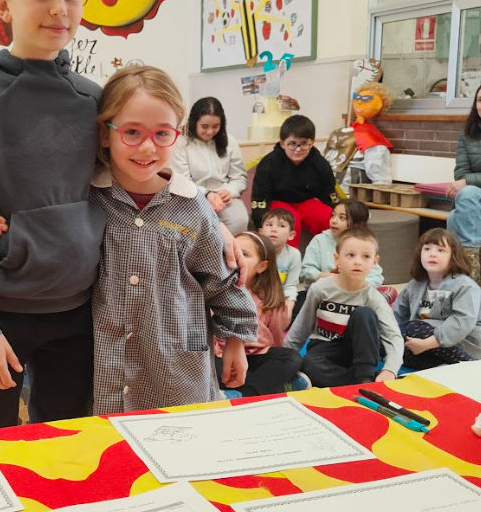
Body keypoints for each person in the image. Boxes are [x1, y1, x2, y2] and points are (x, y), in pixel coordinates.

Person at [0, 0, 245, 431]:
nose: (58, 8)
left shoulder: (92, 100)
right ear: (3, 3)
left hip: (83, 313)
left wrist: (215, 227)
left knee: (71, 441)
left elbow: (140, 170)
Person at [91, 66, 258, 414]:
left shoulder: (193, 206)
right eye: (132, 132)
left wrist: (235, 342)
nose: (147, 146)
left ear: (177, 135)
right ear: (105, 134)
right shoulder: (88, 197)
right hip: (103, 370)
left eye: (162, 133)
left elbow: (222, 282)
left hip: (176, 371)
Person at [285, 227, 404, 387]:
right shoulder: (320, 288)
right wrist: (286, 359)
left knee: (364, 313)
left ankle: (364, 377)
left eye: (366, 256)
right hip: (324, 349)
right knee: (307, 364)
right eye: (351, 255)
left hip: (357, 352)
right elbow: (302, 326)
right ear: (337, 259)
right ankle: (358, 381)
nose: (357, 261)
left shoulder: (373, 297)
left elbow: (393, 335)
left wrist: (390, 370)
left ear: (375, 262)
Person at [218, 232, 305, 398]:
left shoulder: (270, 299)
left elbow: (276, 339)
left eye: (244, 254)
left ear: (262, 266)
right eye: (231, 251)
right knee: (203, 365)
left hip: (255, 356)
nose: (235, 257)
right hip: (223, 356)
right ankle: (276, 386)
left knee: (291, 358)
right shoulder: (216, 290)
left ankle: (243, 394)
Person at [394, 228, 481, 370]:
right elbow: (397, 315)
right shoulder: (415, 285)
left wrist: (427, 344)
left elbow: (462, 322)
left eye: (441, 250)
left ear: (453, 257)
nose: (432, 254)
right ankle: (442, 366)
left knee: (416, 328)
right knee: (391, 339)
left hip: (463, 342)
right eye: (427, 249)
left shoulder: (464, 286)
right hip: (424, 342)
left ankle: (468, 364)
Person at [250, 114, 337, 246]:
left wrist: (335, 214)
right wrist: (260, 226)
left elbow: (329, 196)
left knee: (326, 217)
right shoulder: (268, 164)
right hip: (278, 203)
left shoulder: (321, 164)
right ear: (282, 143)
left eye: (304, 144)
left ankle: (328, 253)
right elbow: (259, 198)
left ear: (312, 142)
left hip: (306, 203)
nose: (298, 149)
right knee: (289, 221)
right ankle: (287, 257)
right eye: (292, 144)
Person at [171, 97, 248, 235]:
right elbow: (182, 180)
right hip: (192, 196)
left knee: (239, 221)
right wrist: (207, 194)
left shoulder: (229, 142)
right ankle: (210, 246)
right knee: (193, 225)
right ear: (194, 122)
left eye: (215, 126)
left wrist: (229, 191)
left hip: (223, 196)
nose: (210, 132)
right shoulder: (181, 142)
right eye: (204, 126)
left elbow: (239, 178)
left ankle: (219, 247)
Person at [300, 199, 396, 304]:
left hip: (356, 293)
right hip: (324, 293)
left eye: (342, 218)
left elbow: (376, 276)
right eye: (333, 215)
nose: (334, 221)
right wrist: (327, 277)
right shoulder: (320, 240)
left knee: (387, 293)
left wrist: (357, 286)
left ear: (357, 224)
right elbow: (306, 270)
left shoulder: (363, 243)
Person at [447, 84, 481, 282]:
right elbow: (461, 172)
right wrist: (466, 181)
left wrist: (468, 181)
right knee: (454, 216)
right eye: (480, 100)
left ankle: (470, 270)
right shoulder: (467, 134)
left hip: (473, 195)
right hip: (475, 198)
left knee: (467, 195)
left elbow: (464, 180)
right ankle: (461, 273)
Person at [259, 207, 300, 321]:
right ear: (261, 232)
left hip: (279, 300)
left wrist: (288, 307)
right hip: (257, 298)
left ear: (291, 235)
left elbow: (290, 286)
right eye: (269, 225)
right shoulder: (256, 252)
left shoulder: (294, 254)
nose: (274, 229)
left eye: (281, 226)